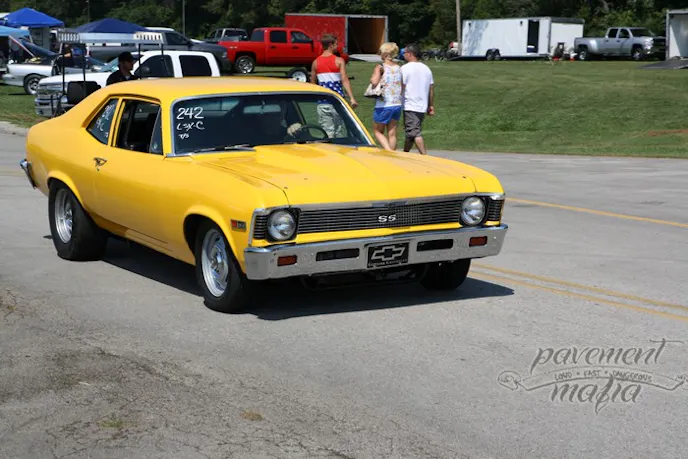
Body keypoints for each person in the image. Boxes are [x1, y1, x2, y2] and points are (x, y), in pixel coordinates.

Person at [310, 34, 357, 138]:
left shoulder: (315, 62)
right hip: (337, 100)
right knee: (338, 131)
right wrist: (352, 98)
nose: (337, 46)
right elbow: (344, 80)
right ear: (331, 45)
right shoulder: (339, 61)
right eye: (336, 44)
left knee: (327, 132)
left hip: (322, 102)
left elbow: (313, 83)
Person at [400, 43, 435, 155]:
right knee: (411, 132)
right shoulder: (426, 69)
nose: (403, 55)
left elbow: (401, 86)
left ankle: (425, 156)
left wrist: (397, 99)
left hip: (410, 105)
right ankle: (405, 154)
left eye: (405, 52)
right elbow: (431, 89)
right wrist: (430, 105)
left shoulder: (405, 68)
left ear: (410, 54)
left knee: (415, 133)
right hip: (422, 105)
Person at [369, 42, 403, 151]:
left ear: (385, 53)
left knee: (377, 131)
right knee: (392, 133)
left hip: (384, 104)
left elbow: (374, 82)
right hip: (396, 103)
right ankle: (392, 152)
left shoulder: (380, 67)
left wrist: (372, 78)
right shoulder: (398, 67)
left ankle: (389, 152)